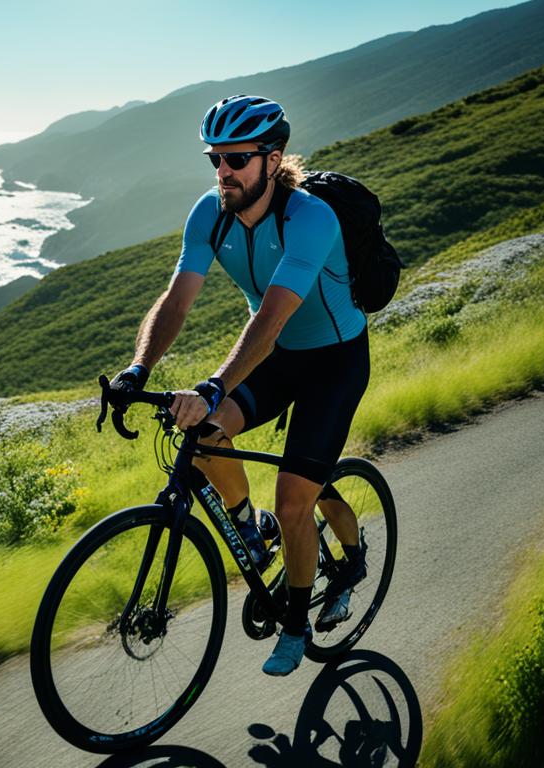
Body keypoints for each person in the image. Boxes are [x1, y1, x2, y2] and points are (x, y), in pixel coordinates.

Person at [111, 95, 370, 677]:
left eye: (237, 159)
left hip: (333, 363)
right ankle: (252, 531)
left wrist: (213, 384)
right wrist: (138, 369)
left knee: (296, 497)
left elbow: (272, 316)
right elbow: (177, 300)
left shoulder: (310, 219)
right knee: (204, 435)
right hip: (275, 359)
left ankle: (302, 619)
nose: (223, 171)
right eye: (215, 159)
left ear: (273, 160)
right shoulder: (210, 213)